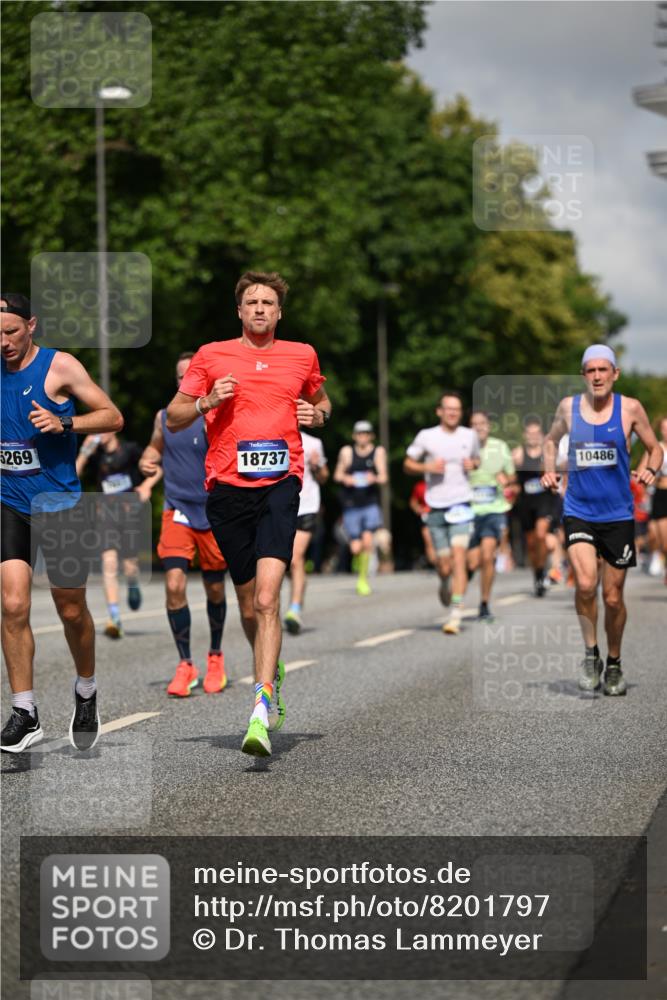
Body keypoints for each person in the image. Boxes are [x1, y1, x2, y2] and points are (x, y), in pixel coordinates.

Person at [166, 272, 331, 757]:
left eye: (268, 303)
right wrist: (205, 400)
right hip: (226, 491)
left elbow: (322, 403)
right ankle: (269, 662)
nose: (260, 309)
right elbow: (172, 415)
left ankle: (261, 704)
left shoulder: (302, 354)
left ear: (280, 312)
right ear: (239, 311)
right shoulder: (210, 355)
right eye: (252, 302)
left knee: (265, 598)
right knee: (246, 604)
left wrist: (316, 416)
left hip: (282, 484)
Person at [1, 293, 123, 752]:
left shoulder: (60, 367)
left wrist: (64, 423)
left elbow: (113, 416)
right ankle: (24, 710)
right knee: (13, 604)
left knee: (70, 609)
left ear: (30, 325)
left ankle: (86, 690)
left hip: (59, 503)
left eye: (11, 332)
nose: (5, 342)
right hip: (8, 501)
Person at [542, 344, 663, 696]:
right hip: (578, 509)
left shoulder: (630, 408)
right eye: (590, 370)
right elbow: (550, 442)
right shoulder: (569, 407)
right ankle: (590, 653)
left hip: (619, 514)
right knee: (583, 583)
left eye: (603, 370)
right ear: (584, 375)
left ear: (615, 374)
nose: (597, 376)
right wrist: (549, 471)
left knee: (612, 598)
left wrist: (650, 469)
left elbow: (655, 448)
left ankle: (614, 662)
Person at [139, 352, 229, 696]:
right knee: (174, 585)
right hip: (177, 510)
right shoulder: (164, 417)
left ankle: (216, 657)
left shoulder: (216, 417)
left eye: (190, 376)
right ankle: (185, 664)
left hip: (214, 513)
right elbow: (154, 448)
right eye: (180, 377)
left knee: (215, 589)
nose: (184, 382)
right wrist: (148, 460)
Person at [404, 392, 479, 635]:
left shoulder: (470, 435)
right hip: (435, 506)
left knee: (459, 557)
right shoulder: (427, 436)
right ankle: (444, 581)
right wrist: (426, 466)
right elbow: (407, 464)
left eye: (457, 409)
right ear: (439, 411)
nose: (453, 413)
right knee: (444, 564)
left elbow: (476, 459)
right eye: (448, 408)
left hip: (461, 505)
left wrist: (473, 465)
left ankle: (455, 614)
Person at [76, 431, 159, 638]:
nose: (97, 434)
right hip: (105, 516)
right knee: (109, 563)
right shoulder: (96, 455)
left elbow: (156, 469)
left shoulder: (130, 450)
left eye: (101, 429)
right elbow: (74, 473)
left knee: (129, 564)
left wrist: (146, 486)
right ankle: (114, 617)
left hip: (129, 513)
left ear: (113, 429)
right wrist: (85, 452)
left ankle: (132, 583)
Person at [467, 411, 516, 621]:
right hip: (467, 512)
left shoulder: (500, 447)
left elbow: (512, 476)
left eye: (483, 423)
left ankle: (484, 603)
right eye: (474, 424)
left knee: (488, 557)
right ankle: (464, 577)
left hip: (494, 510)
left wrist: (506, 479)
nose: (479, 427)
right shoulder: (462, 448)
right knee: (471, 563)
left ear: (489, 426)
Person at [333, 421, 388, 596]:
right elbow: (337, 475)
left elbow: (384, 477)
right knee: (356, 547)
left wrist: (374, 478)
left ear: (371, 435)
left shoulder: (377, 452)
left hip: (369, 503)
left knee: (367, 542)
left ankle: (362, 579)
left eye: (366, 433)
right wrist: (346, 479)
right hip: (351, 504)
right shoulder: (347, 452)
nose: (362, 436)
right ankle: (360, 568)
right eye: (359, 433)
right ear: (354, 436)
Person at [283, 429, 328, 634]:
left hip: (307, 506)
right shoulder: (273, 436)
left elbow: (324, 477)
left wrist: (317, 466)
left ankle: (294, 609)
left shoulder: (313, 442)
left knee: (295, 558)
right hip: (280, 507)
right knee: (282, 562)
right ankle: (297, 592)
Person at [512, 419, 558, 597]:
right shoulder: (517, 454)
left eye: (536, 433)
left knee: (541, 535)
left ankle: (544, 568)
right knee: (531, 544)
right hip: (525, 503)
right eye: (529, 433)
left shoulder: (548, 454)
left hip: (544, 501)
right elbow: (507, 473)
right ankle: (539, 573)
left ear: (542, 436)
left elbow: (560, 470)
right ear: (525, 435)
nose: (533, 437)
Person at [647, 416, 667, 584]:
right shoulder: (656, 449)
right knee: (664, 542)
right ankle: (661, 558)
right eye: (664, 428)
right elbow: (644, 468)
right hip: (661, 495)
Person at [409, 479, 436, 567]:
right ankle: (434, 564)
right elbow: (413, 501)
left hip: (441, 515)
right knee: (428, 541)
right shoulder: (420, 486)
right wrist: (418, 509)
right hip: (426, 517)